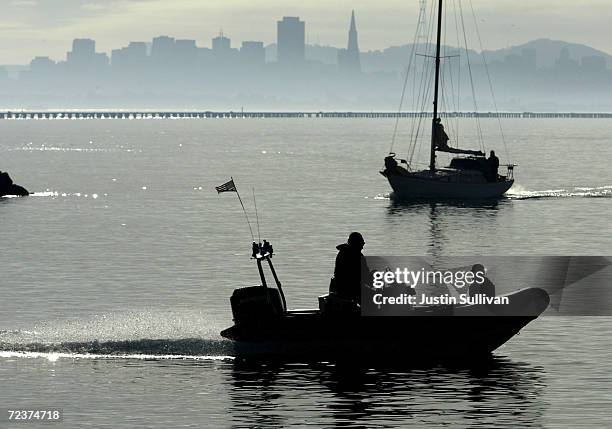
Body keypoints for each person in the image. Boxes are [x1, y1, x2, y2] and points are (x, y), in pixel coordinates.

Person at [330, 232, 370, 303]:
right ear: (356, 243)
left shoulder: (343, 252)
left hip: (341, 288)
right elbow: (364, 275)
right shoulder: (355, 255)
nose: (363, 245)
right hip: (349, 290)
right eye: (361, 243)